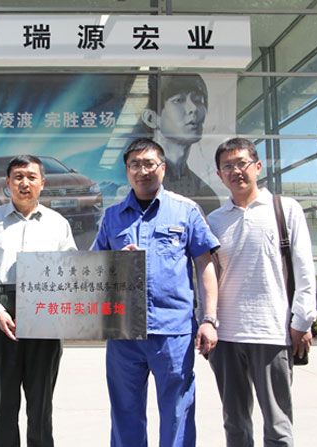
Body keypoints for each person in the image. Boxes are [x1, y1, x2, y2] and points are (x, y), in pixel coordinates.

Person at [91, 138, 220, 447]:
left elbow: (205, 265)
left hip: (172, 331)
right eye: (135, 164)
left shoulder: (185, 211)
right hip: (124, 332)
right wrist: (116, 263)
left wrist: (208, 319)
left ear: (163, 168)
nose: (142, 170)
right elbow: (94, 269)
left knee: (177, 410)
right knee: (125, 412)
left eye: (149, 163)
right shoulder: (112, 217)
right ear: (126, 171)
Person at [207, 138, 317, 447]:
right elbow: (207, 277)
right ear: (219, 175)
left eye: (242, 163)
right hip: (226, 337)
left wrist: (302, 321)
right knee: (235, 424)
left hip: (272, 332)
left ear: (257, 166)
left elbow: (304, 269)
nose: (236, 171)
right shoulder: (214, 221)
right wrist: (206, 322)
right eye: (227, 166)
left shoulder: (285, 209)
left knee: (278, 426)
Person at [0, 155, 77, 447]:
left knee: (41, 402)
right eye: (17, 177)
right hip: (0, 313)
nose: (24, 183)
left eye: (31, 177)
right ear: (7, 183)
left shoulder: (58, 223)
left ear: (43, 183)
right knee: (3, 401)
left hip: (45, 313)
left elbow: (72, 272)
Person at [141, 75, 220, 214]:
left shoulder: (206, 195)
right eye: (178, 100)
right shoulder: (138, 185)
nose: (193, 108)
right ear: (151, 118)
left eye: (198, 100)